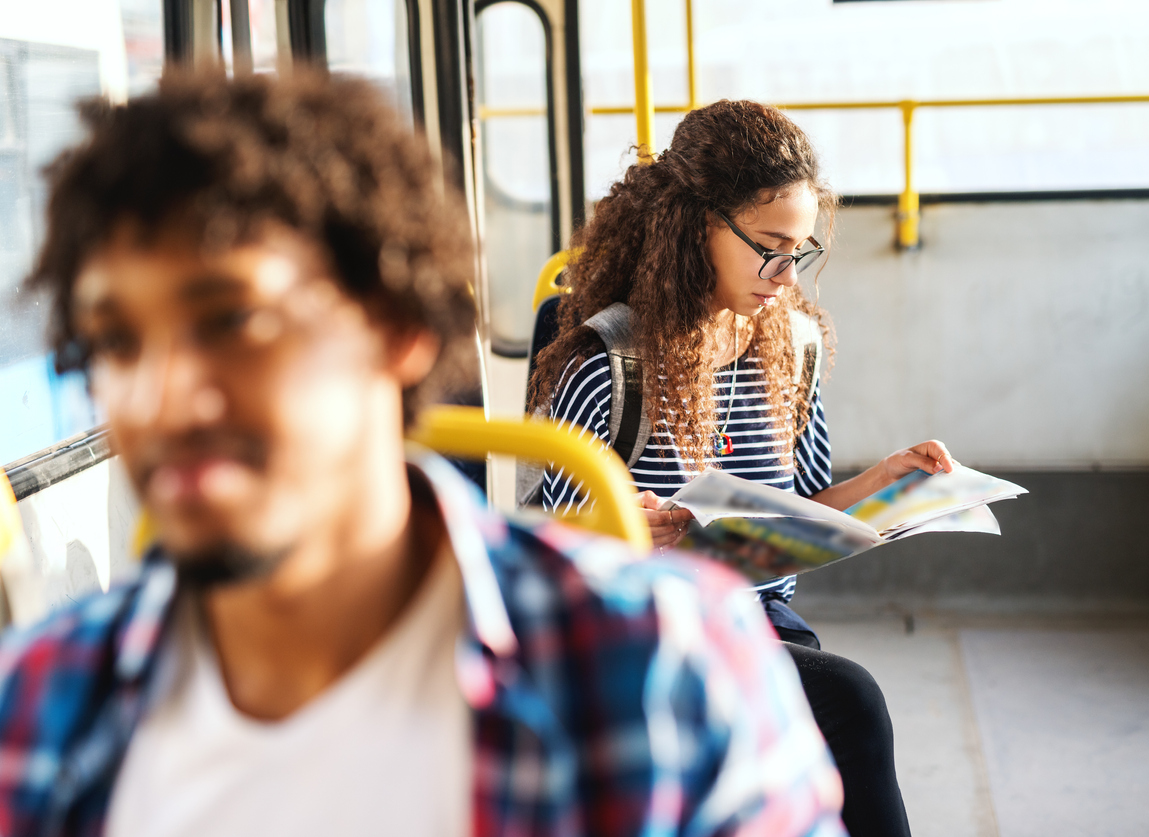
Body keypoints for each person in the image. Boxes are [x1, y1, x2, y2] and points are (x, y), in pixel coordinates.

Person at [0, 71, 845, 837]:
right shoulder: (44, 705)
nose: (160, 399)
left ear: (398, 329)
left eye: (231, 324)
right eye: (113, 341)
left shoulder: (668, 668)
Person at [533, 100, 958, 837]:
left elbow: (802, 508)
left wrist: (885, 483)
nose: (786, 277)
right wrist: (629, 524)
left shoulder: (792, 347)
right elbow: (548, 548)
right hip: (643, 630)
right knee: (851, 702)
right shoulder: (611, 364)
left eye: (800, 252)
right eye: (769, 246)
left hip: (757, 620)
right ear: (699, 225)